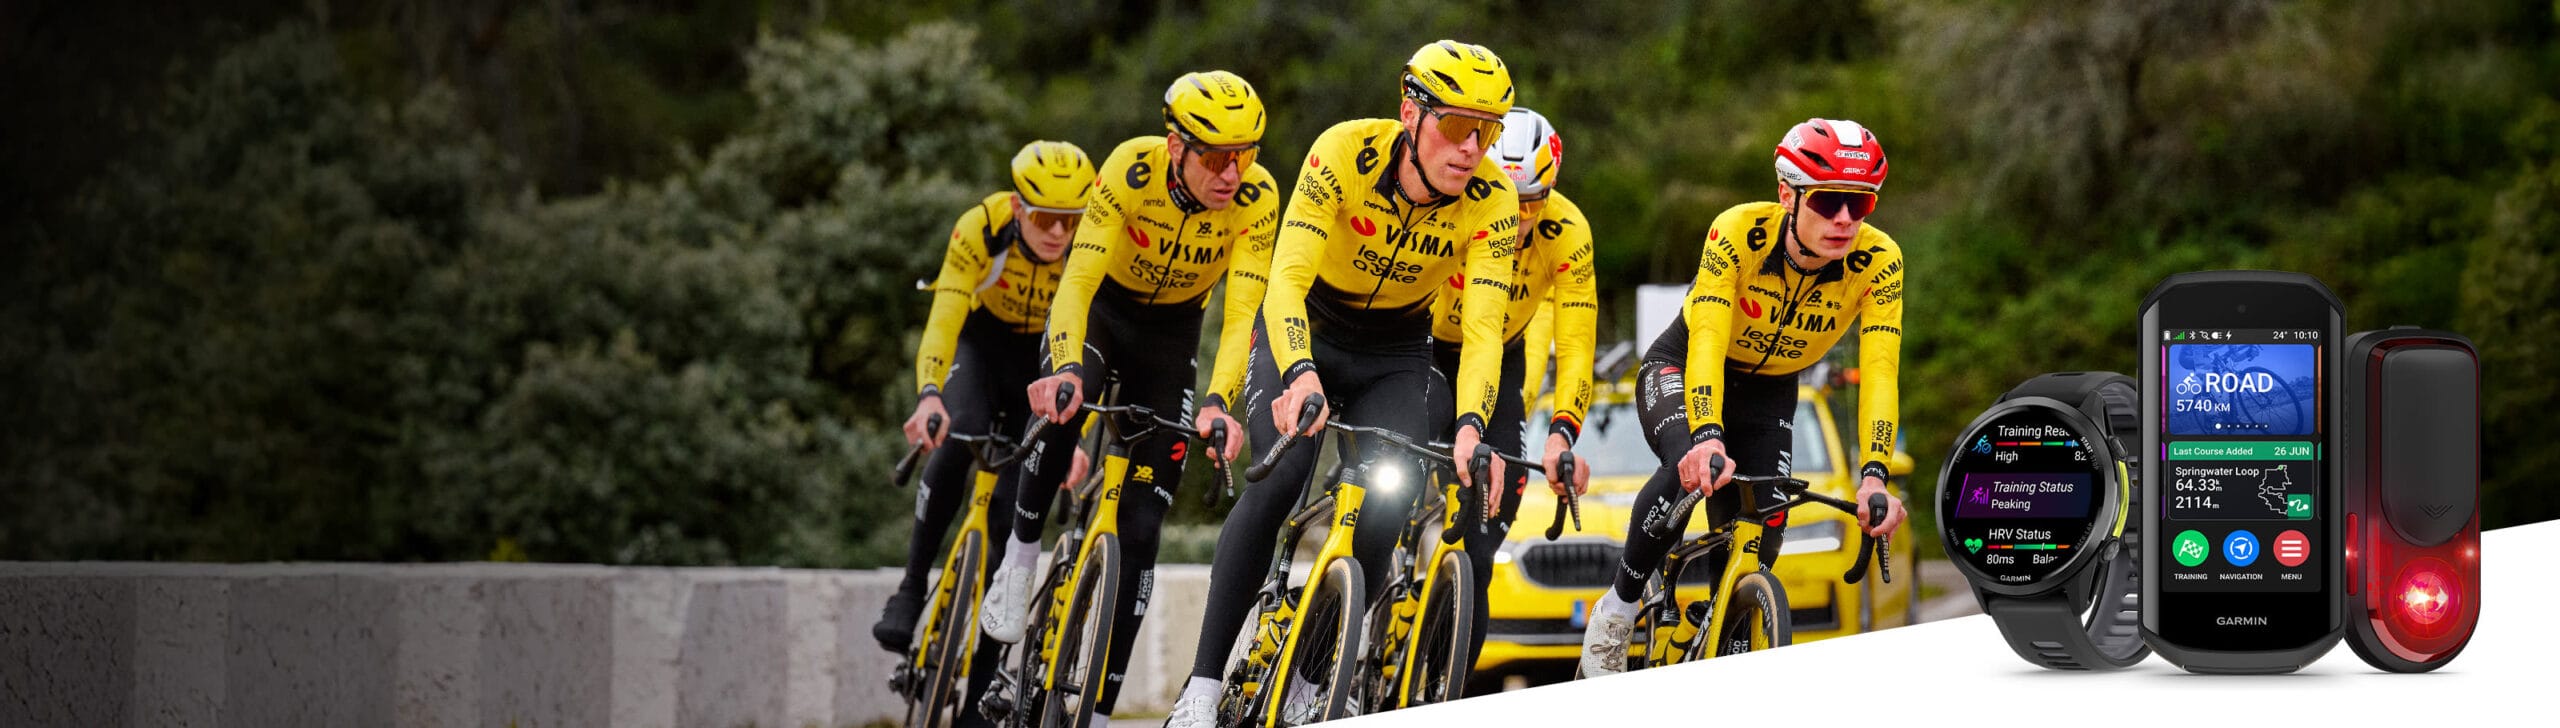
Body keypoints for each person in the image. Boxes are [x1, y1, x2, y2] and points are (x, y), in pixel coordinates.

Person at [1164, 40, 1522, 726]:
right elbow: (1286, 280)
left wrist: (1472, 425)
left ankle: (1311, 677)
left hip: (1397, 350)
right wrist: (1300, 373)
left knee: (1393, 497)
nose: (1472, 148)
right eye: (1456, 125)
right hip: (1308, 326)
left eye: (1488, 130)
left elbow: (1482, 330)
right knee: (1282, 478)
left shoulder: (1492, 199)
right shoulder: (1342, 152)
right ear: (1410, 114)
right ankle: (1201, 688)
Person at [974, 70, 1282, 726]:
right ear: (1176, 147)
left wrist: (1220, 401)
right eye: (1216, 158)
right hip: (1102, 315)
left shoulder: (1257, 197)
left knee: (1141, 530)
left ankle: (1098, 710)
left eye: (1246, 154)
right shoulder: (1130, 169)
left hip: (1172, 336)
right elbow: (1078, 277)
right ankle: (1020, 558)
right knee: (1068, 400)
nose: (1233, 173)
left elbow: (1242, 313)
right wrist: (1063, 366)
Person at [1575, 118, 1911, 677]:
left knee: (1764, 523)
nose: (1845, 219)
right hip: (1685, 364)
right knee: (1688, 470)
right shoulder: (1737, 231)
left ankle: (1719, 631)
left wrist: (1874, 475)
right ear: (1788, 195)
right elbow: (1708, 340)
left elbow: (1879, 370)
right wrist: (1706, 436)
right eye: (1828, 201)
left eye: (1860, 203)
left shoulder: (1879, 261)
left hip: (1770, 390)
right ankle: (1618, 609)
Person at [876, 140, 1094, 723]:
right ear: (1018, 208)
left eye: (1071, 220)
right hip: (981, 347)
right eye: (1045, 218)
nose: (1058, 233)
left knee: (1012, 523)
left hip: (1043, 365)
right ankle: (911, 587)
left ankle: (979, 692)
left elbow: (1093, 352)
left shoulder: (1091, 243)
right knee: (959, 436)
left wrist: (1075, 442)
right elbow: (945, 315)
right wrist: (929, 394)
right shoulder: (982, 227)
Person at [1423, 106, 1597, 671]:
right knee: (1393, 473)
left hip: (1501, 356)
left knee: (1485, 538)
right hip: (1422, 346)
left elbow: (1576, 345)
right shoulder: (1447, 201)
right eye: (1508, 196)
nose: (1520, 218)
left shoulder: (1567, 231)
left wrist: (1562, 433)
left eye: (1534, 201)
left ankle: (1446, 679)